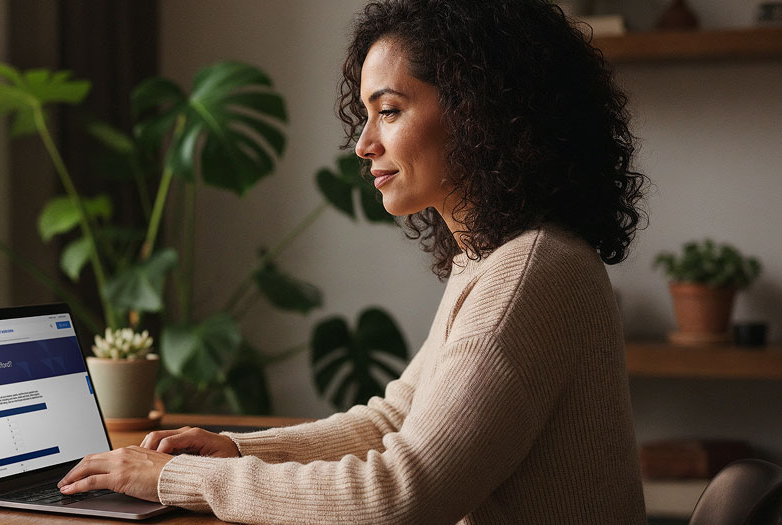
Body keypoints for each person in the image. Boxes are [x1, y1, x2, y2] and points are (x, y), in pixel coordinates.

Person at [57, 0, 650, 522]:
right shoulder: (495, 259)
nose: (363, 143)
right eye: (366, 114)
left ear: (480, 114)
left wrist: (175, 479)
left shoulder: (532, 273)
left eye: (388, 111)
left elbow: (402, 494)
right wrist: (239, 450)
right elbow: (396, 420)